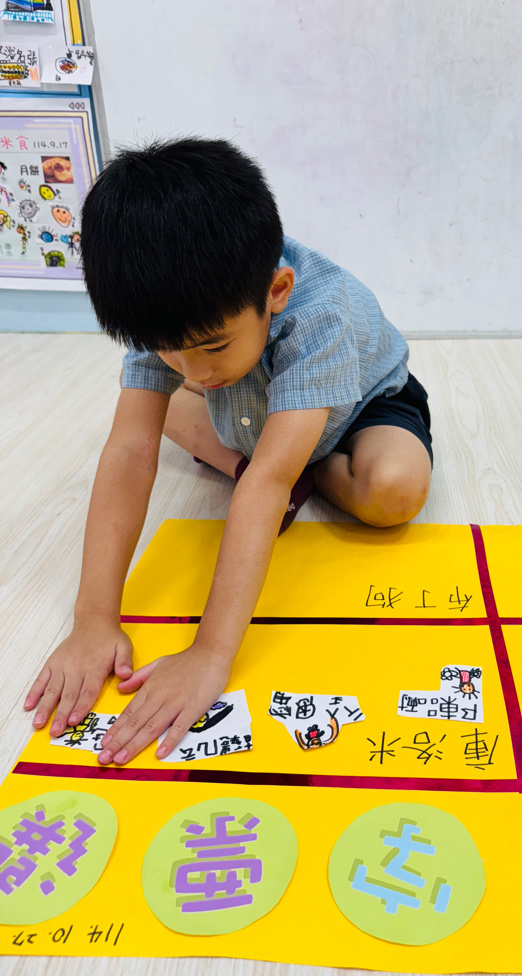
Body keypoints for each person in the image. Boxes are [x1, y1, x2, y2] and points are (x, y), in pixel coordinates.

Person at [23, 137, 433, 766]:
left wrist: (210, 653)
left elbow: (266, 487)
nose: (193, 369)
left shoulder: (322, 314)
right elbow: (129, 450)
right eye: (169, 351)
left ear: (277, 290)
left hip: (361, 409)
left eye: (213, 345)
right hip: (249, 408)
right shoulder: (169, 311)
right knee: (152, 415)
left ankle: (297, 462)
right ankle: (270, 452)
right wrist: (93, 620)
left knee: (395, 491)